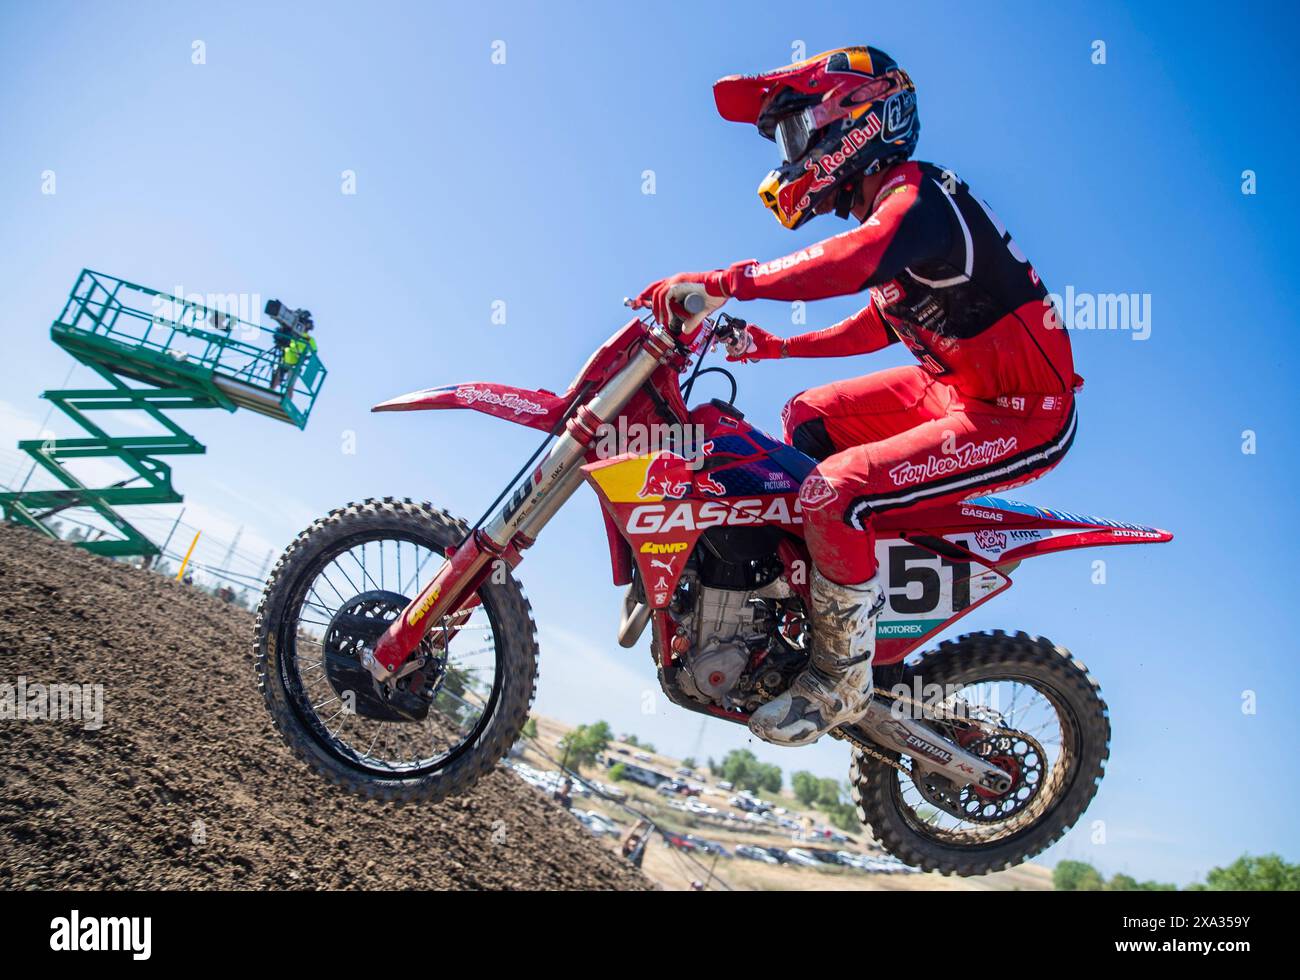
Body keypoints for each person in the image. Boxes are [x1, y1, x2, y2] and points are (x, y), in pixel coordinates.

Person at [633, 46, 1078, 747]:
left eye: (792, 131)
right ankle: (794, 600)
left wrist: (727, 280)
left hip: (1020, 414)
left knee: (832, 491)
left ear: (856, 119)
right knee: (806, 415)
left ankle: (839, 677)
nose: (789, 154)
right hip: (950, 390)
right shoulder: (898, 218)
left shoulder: (921, 197)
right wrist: (774, 347)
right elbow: (874, 323)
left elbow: (852, 264)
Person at [273, 320, 317, 391]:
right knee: (276, 380)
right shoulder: (293, 333)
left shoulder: (310, 339)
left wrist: (306, 357)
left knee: (290, 386)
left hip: (296, 364)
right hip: (285, 360)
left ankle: (286, 399)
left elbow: (314, 352)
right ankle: (271, 391)